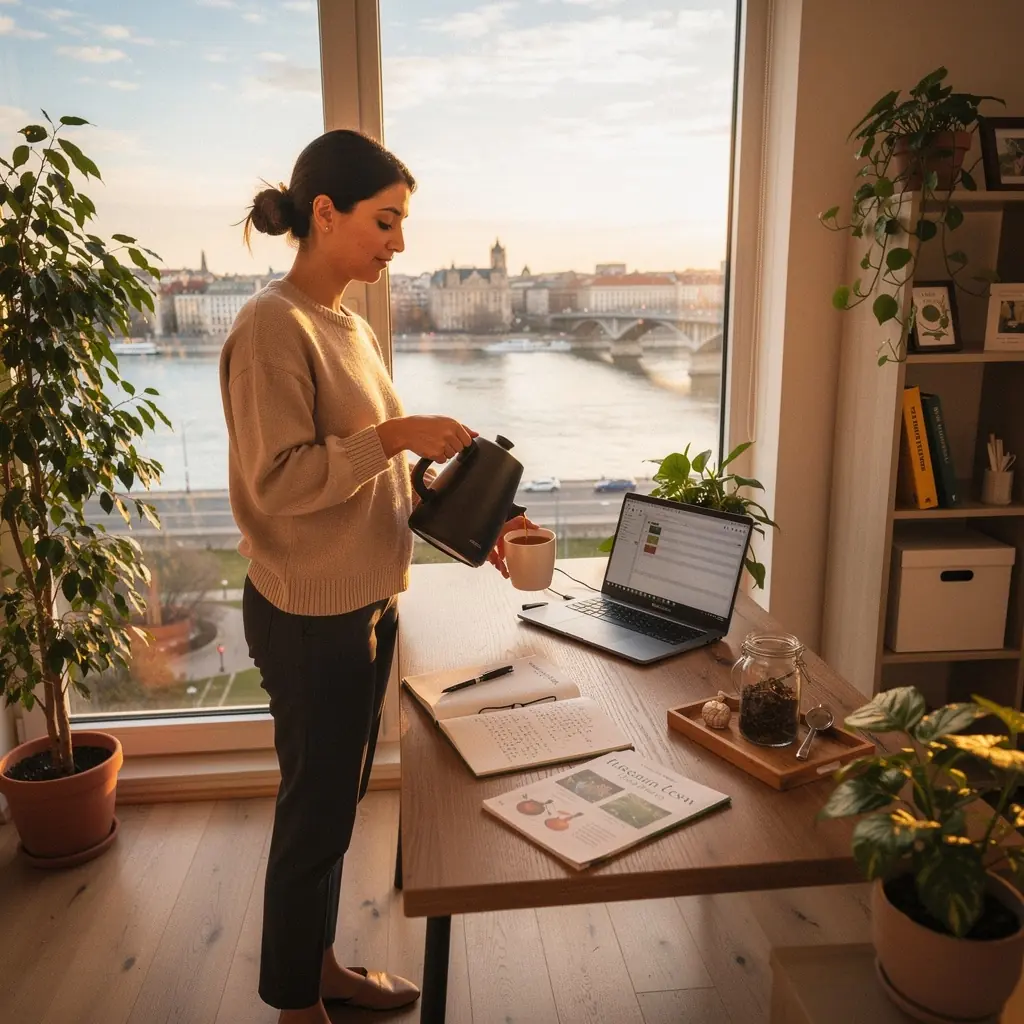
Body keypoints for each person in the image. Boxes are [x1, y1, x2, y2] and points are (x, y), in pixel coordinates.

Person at [220, 129, 534, 1024]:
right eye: (385, 220)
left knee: (335, 803)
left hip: (362, 602)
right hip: (311, 613)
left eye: (402, 222)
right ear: (325, 214)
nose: (400, 243)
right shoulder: (269, 328)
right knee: (315, 814)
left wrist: (478, 519)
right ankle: (294, 1005)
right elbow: (280, 485)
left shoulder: (348, 324)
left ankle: (315, 971)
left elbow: (370, 478)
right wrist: (396, 436)